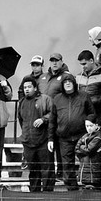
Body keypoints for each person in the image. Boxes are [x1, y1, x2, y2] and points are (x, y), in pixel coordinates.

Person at [48, 74, 95, 190]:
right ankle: (72, 191)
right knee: (67, 167)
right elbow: (52, 120)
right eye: (65, 82)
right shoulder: (57, 99)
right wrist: (50, 139)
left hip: (82, 136)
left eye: (70, 81)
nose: (67, 83)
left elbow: (92, 113)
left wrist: (88, 121)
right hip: (64, 138)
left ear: (74, 83)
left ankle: (87, 189)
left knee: (86, 164)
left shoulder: (84, 96)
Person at [76, 50, 101, 160]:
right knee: (85, 140)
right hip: (84, 113)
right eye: (81, 65)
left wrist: (97, 100)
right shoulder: (79, 76)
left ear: (91, 60)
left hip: (99, 112)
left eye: (84, 64)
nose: (82, 67)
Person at [17, 76, 54, 192]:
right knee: (33, 170)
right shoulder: (22, 102)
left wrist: (43, 119)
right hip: (28, 141)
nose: (26, 89)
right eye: (24, 87)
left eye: (29, 87)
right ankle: (35, 193)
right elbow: (21, 120)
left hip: (43, 140)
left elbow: (53, 114)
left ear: (35, 88)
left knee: (47, 169)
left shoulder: (45, 99)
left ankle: (48, 194)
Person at [38, 52, 70, 181]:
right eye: (52, 61)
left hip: (59, 117)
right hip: (43, 118)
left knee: (60, 146)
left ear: (62, 61)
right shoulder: (43, 77)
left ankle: (61, 173)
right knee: (47, 148)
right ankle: (50, 174)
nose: (54, 63)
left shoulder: (66, 77)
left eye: (57, 60)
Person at [75, 114, 101, 189]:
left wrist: (81, 146)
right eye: (87, 126)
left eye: (91, 126)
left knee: (94, 190)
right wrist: (83, 148)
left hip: (93, 170)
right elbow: (76, 149)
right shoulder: (85, 136)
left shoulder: (98, 137)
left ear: (96, 125)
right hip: (84, 168)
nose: (88, 128)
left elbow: (88, 150)